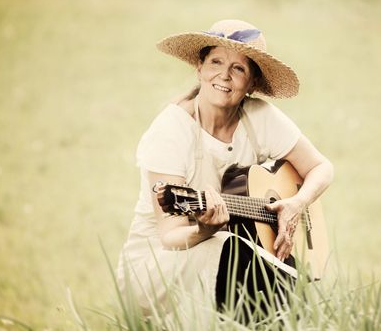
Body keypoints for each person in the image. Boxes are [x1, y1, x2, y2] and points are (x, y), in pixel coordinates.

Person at [116, 19, 334, 317]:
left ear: (252, 83)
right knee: (232, 248)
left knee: (264, 260)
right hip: (157, 265)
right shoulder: (171, 132)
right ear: (200, 68)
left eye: (239, 68)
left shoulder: (260, 118)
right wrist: (204, 229)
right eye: (216, 61)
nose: (225, 76)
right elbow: (169, 235)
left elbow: (321, 167)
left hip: (238, 254)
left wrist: (297, 203)